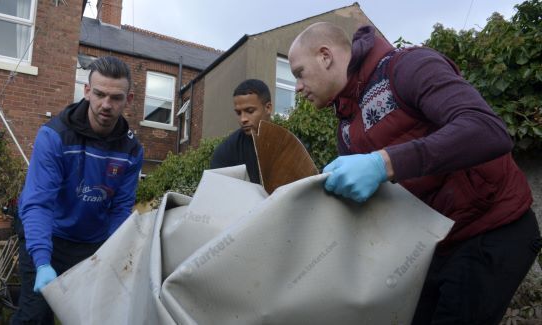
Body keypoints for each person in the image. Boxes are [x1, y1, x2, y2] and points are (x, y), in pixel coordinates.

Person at [288, 22, 541, 324]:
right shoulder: (345, 128)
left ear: (325, 56)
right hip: (434, 245)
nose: (297, 87)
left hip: (493, 227)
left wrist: (384, 163)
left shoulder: (407, 66)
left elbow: (487, 131)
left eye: (299, 73)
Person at [12, 56, 143, 324]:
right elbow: (38, 203)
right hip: (49, 235)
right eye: (99, 94)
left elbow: (120, 209)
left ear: (128, 100)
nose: (106, 105)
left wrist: (112, 256)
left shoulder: (132, 150)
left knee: (95, 317)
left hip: (91, 243)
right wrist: (41, 261)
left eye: (116, 98)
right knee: (35, 314)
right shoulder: (54, 136)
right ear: (86, 91)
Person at [210, 79, 273, 184]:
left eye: (250, 111)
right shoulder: (225, 152)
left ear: (268, 108)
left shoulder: (290, 146)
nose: (243, 119)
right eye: (238, 113)